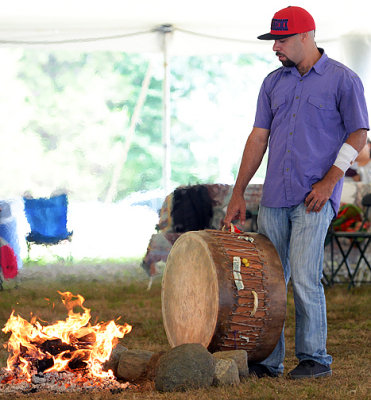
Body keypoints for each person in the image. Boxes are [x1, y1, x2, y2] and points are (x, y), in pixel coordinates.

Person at [224, 6, 369, 379]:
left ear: (307, 35)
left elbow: (358, 134)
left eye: (282, 40)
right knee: (271, 283)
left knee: (305, 277)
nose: (276, 47)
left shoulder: (343, 80)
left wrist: (330, 180)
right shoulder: (272, 83)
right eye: (274, 40)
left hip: (314, 198)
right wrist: (239, 193)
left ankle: (315, 359)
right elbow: (258, 138)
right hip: (274, 198)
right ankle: (269, 362)